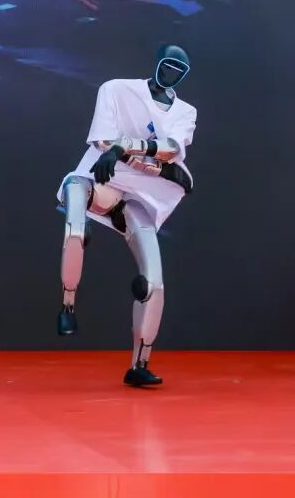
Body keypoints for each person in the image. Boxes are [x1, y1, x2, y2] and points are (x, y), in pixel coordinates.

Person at [56, 45, 196, 387]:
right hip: (98, 181)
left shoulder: (185, 112)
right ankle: (68, 305)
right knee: (75, 220)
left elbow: (172, 150)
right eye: (168, 65)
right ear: (157, 62)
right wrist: (128, 152)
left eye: (178, 70)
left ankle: (140, 363)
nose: (171, 73)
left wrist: (125, 149)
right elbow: (103, 139)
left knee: (153, 283)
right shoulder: (117, 89)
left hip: (140, 198)